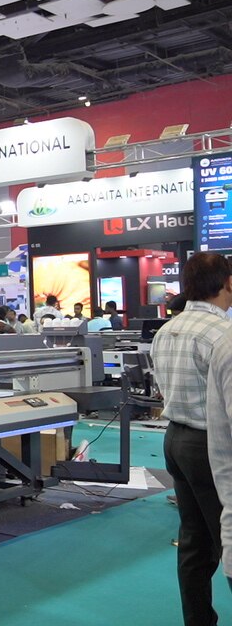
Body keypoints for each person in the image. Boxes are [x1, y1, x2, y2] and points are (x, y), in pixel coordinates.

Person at [151, 253, 232, 625]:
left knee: (194, 541)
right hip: (211, 448)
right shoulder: (220, 334)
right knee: (226, 538)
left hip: (175, 441)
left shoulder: (168, 330)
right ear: (227, 283)